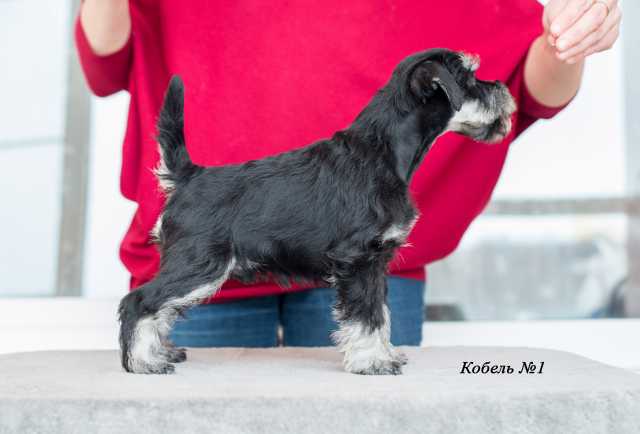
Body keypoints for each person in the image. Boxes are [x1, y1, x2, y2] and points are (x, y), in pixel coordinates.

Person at [76, 0, 621, 348]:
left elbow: (530, 92)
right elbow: (103, 62)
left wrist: (567, 38)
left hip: (369, 255)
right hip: (215, 227)